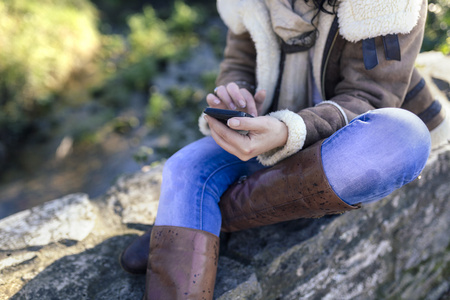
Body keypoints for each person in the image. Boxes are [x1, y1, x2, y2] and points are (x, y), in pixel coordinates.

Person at [120, 0, 449, 299]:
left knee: (405, 137)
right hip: (266, 127)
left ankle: (207, 219)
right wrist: (238, 94)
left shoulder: (385, 6)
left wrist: (289, 131)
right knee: (184, 167)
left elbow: (368, 98)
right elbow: (239, 59)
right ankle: (197, 222)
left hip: (335, 142)